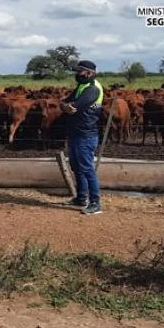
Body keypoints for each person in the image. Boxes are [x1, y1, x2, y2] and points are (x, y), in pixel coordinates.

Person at [60, 60, 104, 215]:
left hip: (86, 134)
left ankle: (95, 203)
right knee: (77, 167)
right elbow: (65, 103)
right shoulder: (82, 86)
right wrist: (66, 106)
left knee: (87, 169)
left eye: (79, 71)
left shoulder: (93, 89)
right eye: (76, 71)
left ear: (89, 73)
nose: (76, 74)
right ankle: (81, 198)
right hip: (75, 133)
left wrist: (68, 106)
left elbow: (74, 107)